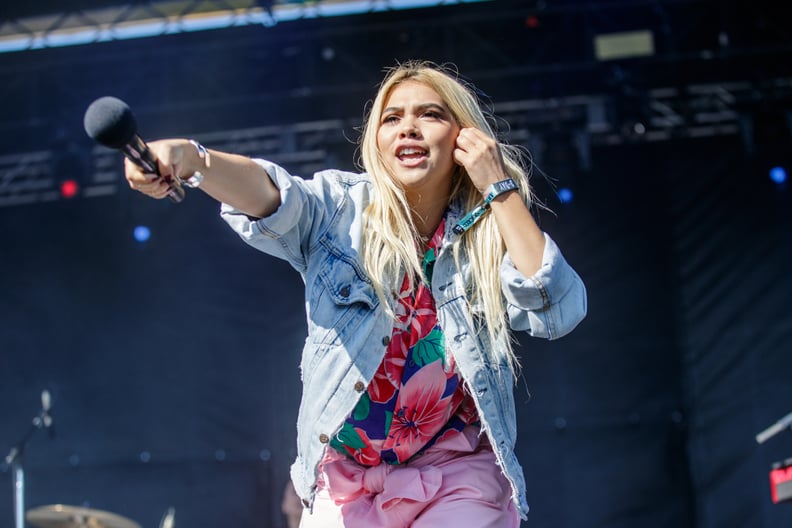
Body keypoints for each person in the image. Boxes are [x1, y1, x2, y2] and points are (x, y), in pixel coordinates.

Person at [125, 60, 587, 527]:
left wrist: (497, 185)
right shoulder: (340, 210)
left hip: (456, 473)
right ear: (378, 143)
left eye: (429, 114)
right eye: (392, 118)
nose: (408, 126)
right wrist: (193, 159)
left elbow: (557, 308)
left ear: (463, 139)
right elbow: (273, 197)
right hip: (347, 483)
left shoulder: (485, 232)